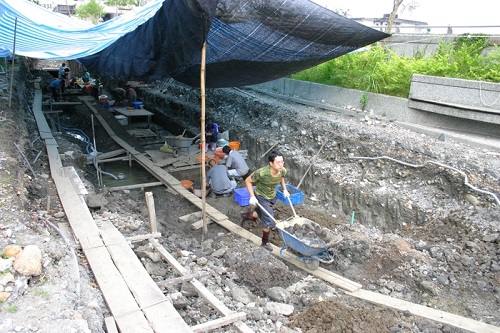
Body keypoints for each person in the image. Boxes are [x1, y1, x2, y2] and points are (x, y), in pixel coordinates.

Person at [244, 151, 289, 251]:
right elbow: (248, 180)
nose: (281, 164)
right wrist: (252, 196)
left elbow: (281, 177)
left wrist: (285, 189)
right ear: (271, 163)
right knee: (269, 219)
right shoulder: (262, 173)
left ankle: (249, 215)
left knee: (263, 212)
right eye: (278, 162)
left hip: (272, 195)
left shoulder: (282, 170)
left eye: (282, 162)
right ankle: (265, 242)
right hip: (261, 196)